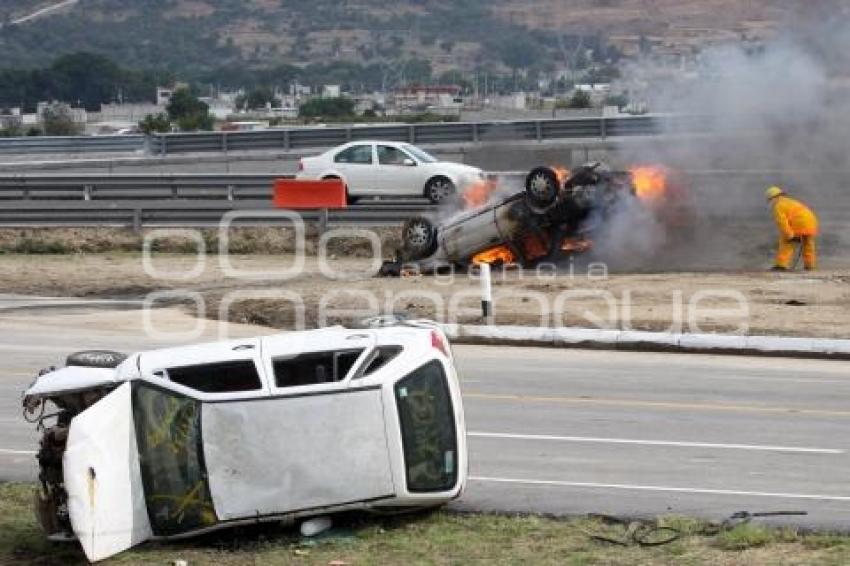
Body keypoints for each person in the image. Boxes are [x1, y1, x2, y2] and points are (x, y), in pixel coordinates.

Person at [765, 186, 819, 271]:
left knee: (786, 242)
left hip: (799, 223)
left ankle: (781, 265)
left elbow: (782, 223)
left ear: (772, 198)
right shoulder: (790, 201)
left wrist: (790, 236)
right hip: (811, 222)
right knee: (808, 245)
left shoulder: (778, 205)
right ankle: (809, 266)